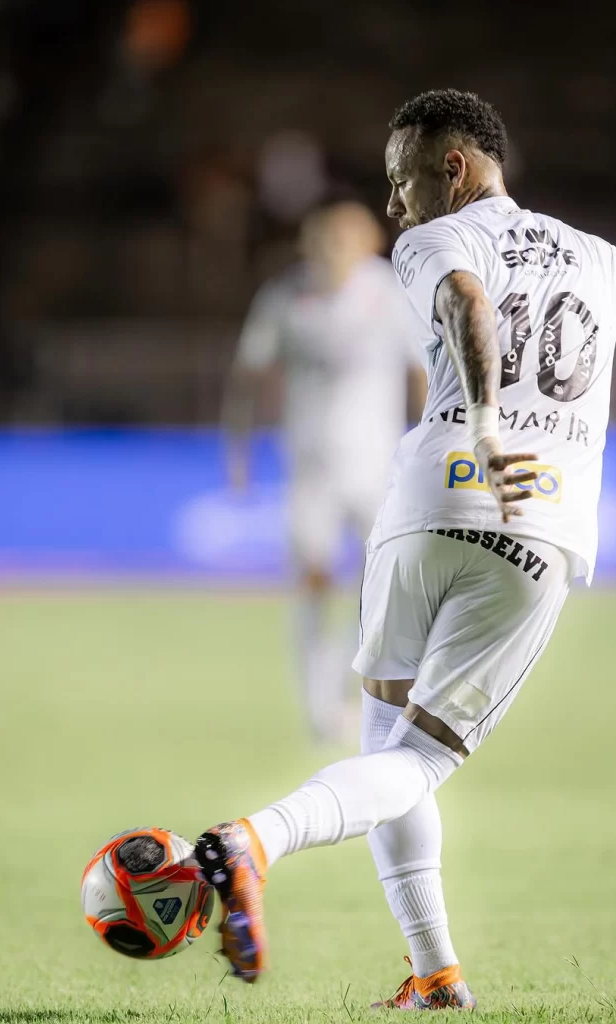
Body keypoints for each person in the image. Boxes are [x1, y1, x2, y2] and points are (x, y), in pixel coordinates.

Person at [196, 90, 616, 1008]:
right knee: (419, 761)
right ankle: (257, 842)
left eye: (403, 181)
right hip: (532, 525)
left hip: (420, 505)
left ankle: (434, 971)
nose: (394, 206)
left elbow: (466, 296)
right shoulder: (603, 261)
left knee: (382, 743)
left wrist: (482, 422)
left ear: (455, 167)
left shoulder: (434, 242)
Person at [223, 198, 425, 742]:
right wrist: (238, 451)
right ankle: (319, 708)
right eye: (321, 241)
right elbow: (251, 374)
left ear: (366, 245)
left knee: (382, 586)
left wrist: (435, 441)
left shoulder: (388, 293)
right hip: (309, 468)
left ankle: (346, 685)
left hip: (378, 467)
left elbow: (421, 372)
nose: (330, 252)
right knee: (313, 581)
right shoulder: (286, 297)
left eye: (342, 240)